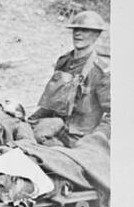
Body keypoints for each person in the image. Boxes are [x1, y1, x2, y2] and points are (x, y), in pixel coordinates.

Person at [28, 10, 110, 145]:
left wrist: (95, 139)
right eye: (76, 29)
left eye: (85, 30)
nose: (78, 33)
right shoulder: (64, 61)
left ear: (96, 35)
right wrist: (30, 120)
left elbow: (113, 116)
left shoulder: (101, 71)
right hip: (55, 127)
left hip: (78, 138)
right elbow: (52, 103)